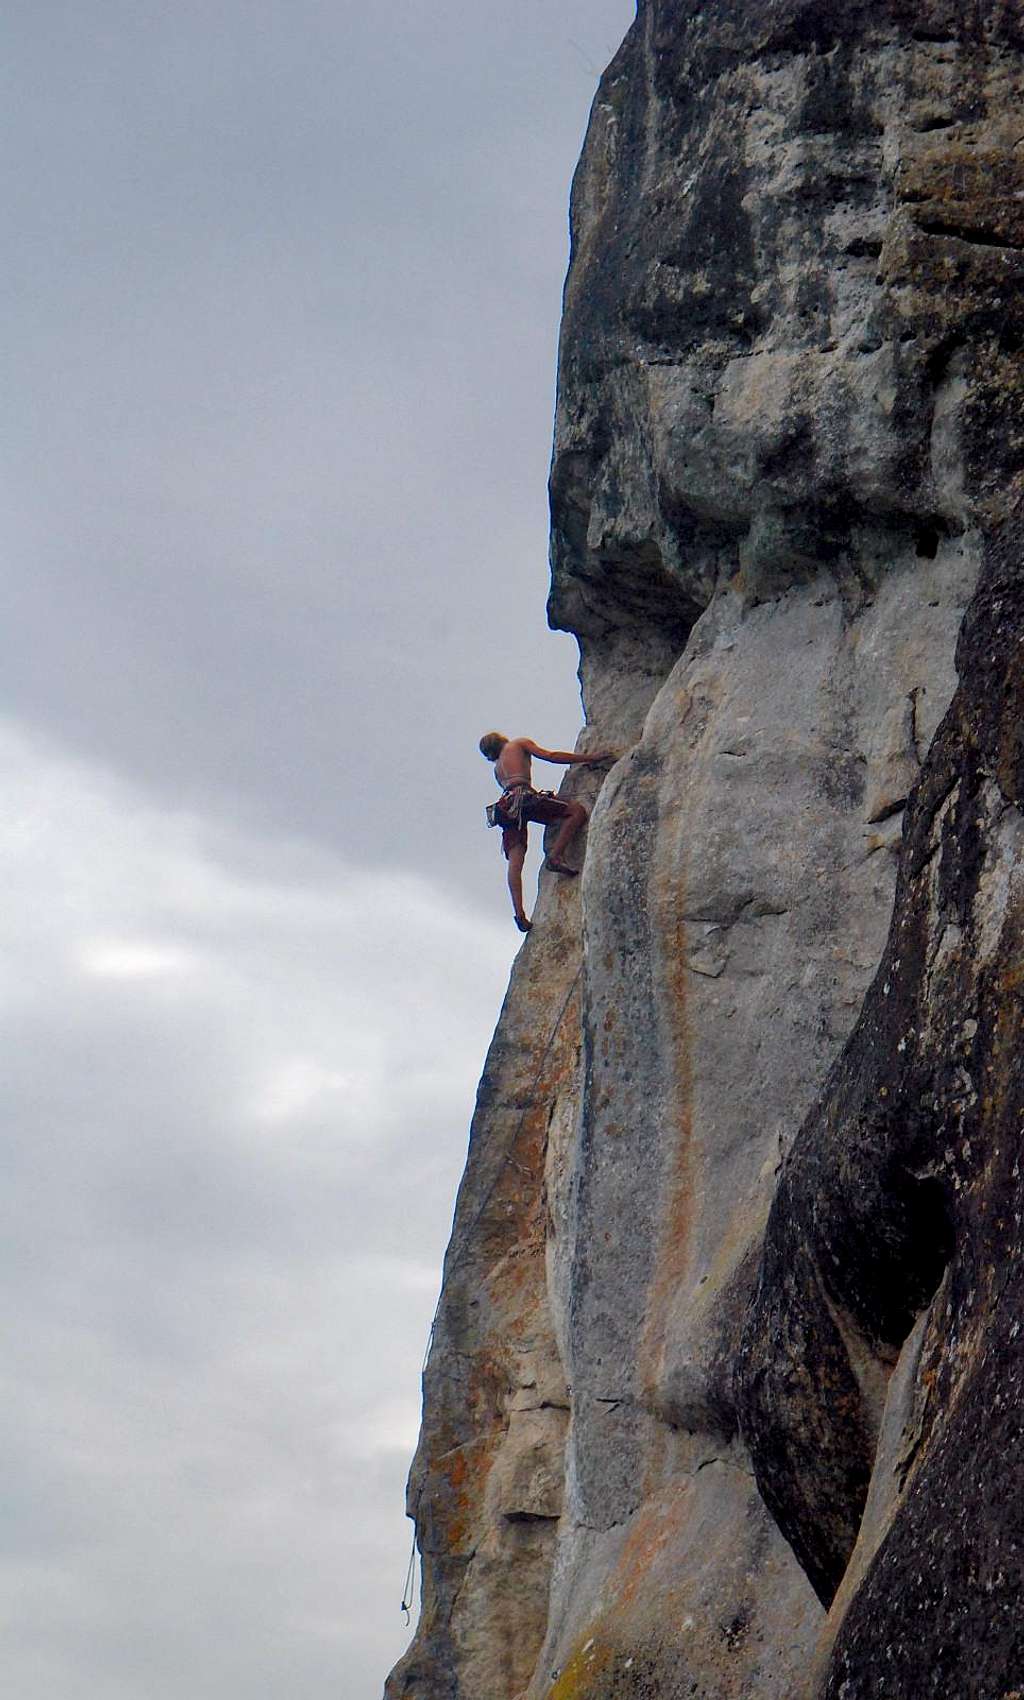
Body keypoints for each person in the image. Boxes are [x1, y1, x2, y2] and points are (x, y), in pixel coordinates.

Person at [479, 731, 615, 932]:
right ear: (502, 740)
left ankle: (519, 914)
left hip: (505, 807)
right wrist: (590, 758)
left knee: (515, 862)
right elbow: (551, 757)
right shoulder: (519, 743)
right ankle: (556, 856)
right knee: (576, 812)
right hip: (523, 797)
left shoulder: (498, 769)